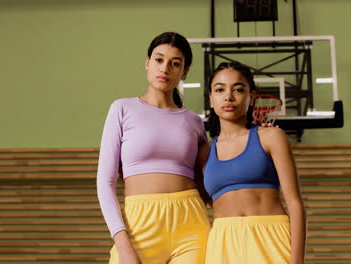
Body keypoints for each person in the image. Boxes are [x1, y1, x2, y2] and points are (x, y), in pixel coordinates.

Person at [96, 32, 210, 264]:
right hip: (139, 224)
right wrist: (122, 243)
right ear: (147, 63)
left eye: (174, 63)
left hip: (191, 224)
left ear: (184, 72)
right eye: (159, 60)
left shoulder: (193, 121)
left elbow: (208, 178)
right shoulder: (122, 109)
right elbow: (105, 183)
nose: (165, 68)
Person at [197, 61, 307, 264]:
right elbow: (202, 197)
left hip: (271, 237)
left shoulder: (271, 137)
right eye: (220, 89)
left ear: (252, 96)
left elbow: (295, 203)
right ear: (211, 99)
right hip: (222, 243)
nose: (228, 96)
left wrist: (297, 260)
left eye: (238, 89)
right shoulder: (204, 152)